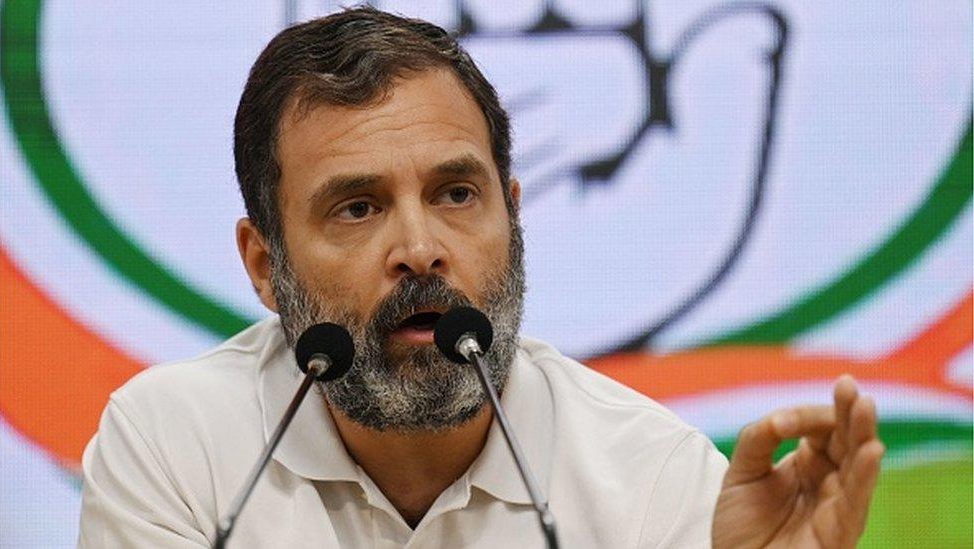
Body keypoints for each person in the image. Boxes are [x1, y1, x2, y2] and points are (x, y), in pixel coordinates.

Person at [78, 7, 884, 548]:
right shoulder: (174, 444)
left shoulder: (657, 480)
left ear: (514, 214)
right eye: (358, 207)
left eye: (456, 193)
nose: (421, 249)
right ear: (264, 265)